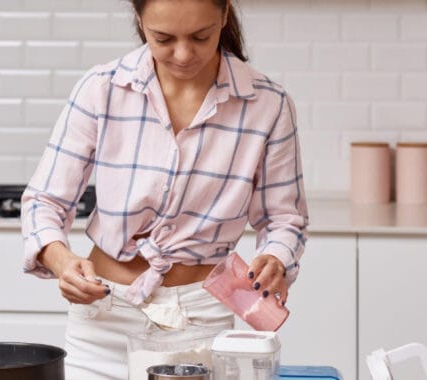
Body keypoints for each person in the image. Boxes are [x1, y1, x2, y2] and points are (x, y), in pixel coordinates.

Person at [19, 0, 309, 378]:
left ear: (224, 16)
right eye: (163, 38)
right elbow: (44, 201)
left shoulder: (268, 103)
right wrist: (62, 262)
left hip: (201, 321)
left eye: (201, 36)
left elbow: (284, 218)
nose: (184, 54)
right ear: (139, 20)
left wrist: (276, 258)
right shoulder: (102, 89)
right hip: (103, 316)